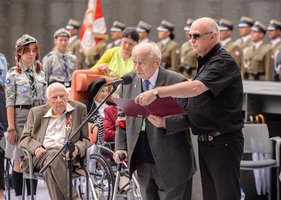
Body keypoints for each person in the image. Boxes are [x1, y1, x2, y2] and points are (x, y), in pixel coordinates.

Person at [135, 18, 244, 200]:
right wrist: (166, 121)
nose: (191, 40)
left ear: (213, 36)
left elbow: (195, 89)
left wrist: (156, 92)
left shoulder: (222, 62)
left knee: (225, 195)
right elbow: (199, 106)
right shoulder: (205, 62)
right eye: (189, 36)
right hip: (207, 141)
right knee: (211, 195)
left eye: (196, 36)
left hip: (223, 141)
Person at [113, 42, 196, 200]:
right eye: (134, 61)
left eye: (141, 62)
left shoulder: (177, 81)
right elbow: (122, 117)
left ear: (157, 62)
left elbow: (191, 117)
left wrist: (166, 122)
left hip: (172, 162)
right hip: (143, 160)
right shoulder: (129, 82)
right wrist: (121, 147)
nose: (136, 67)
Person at [19, 82, 91, 200]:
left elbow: (85, 139)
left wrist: (77, 148)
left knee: (49, 168)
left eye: (62, 96)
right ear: (48, 100)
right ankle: (74, 197)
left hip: (66, 156)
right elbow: (24, 138)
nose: (59, 100)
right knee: (52, 155)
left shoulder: (79, 109)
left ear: (67, 96)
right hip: (40, 156)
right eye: (54, 97)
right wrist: (36, 147)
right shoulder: (36, 112)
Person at [5, 34, 47, 200]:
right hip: (21, 117)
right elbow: (10, 102)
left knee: (34, 159)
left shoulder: (41, 73)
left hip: (38, 117)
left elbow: (45, 100)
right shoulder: (13, 74)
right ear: (19, 53)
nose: (31, 54)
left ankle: (32, 196)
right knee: (19, 160)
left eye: (34, 51)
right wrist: (11, 127)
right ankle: (19, 196)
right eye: (27, 51)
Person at [81, 78, 114, 144]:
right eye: (102, 91)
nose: (105, 94)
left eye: (106, 91)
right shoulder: (85, 104)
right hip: (95, 138)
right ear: (95, 92)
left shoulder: (112, 105)